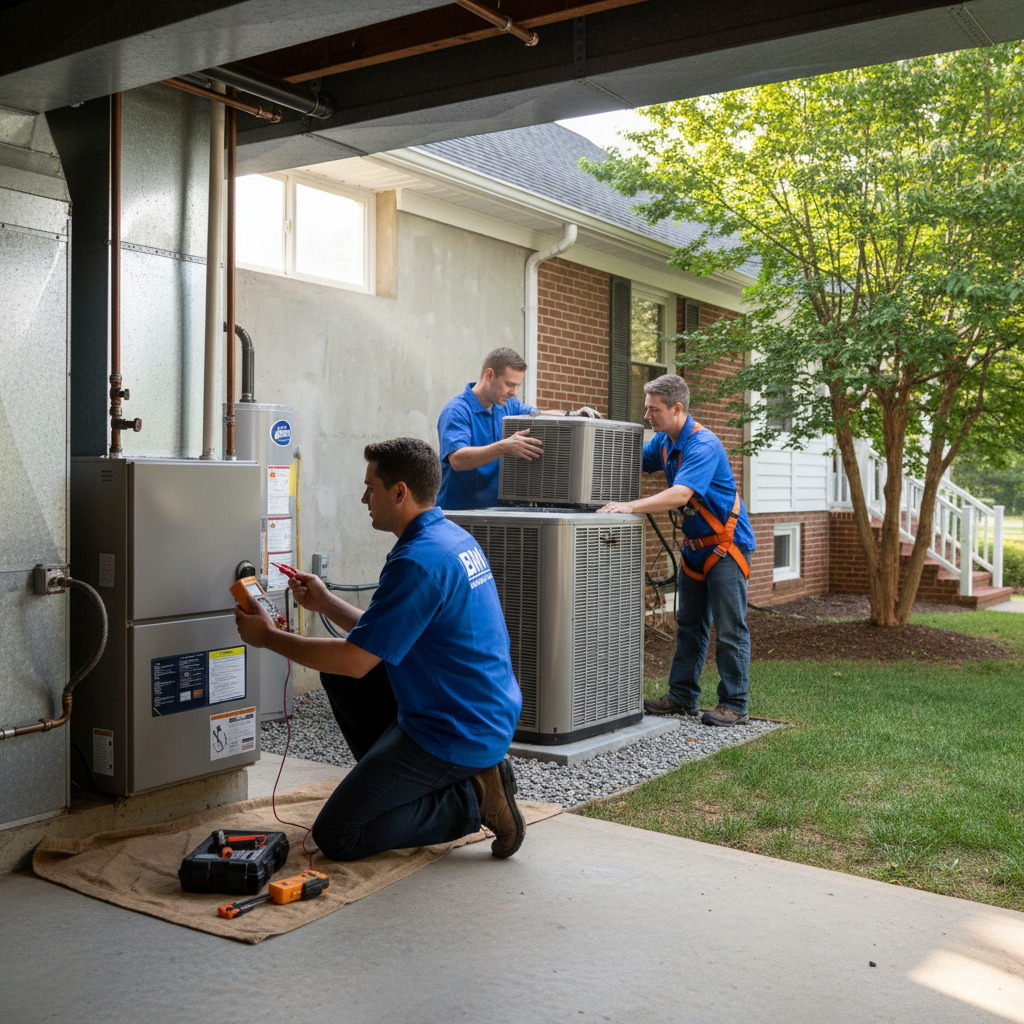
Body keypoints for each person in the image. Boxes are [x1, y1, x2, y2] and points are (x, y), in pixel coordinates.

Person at [234, 437, 527, 861]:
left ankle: (472, 799)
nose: (364, 498)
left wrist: (268, 638)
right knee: (336, 674)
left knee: (338, 836)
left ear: (400, 492)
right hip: (476, 710)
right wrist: (326, 602)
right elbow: (389, 634)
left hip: (455, 728)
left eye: (371, 487)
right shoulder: (449, 538)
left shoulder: (418, 561)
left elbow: (357, 661)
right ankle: (406, 784)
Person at [597, 374, 756, 727]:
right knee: (688, 624)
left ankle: (735, 703)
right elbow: (631, 460)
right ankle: (683, 696)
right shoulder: (666, 443)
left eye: (653, 409)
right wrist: (595, 431)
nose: (646, 415)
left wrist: (630, 506)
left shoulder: (703, 445)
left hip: (726, 547)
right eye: (646, 407)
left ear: (677, 408)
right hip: (696, 548)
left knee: (729, 628)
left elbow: (681, 494)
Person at [437, 346, 603, 510]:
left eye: (517, 386)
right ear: (489, 375)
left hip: (494, 512)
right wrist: (505, 446)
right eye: (510, 384)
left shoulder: (507, 405)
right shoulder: (457, 410)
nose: (514, 392)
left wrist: (572, 415)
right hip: (457, 513)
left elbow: (539, 414)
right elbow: (458, 460)